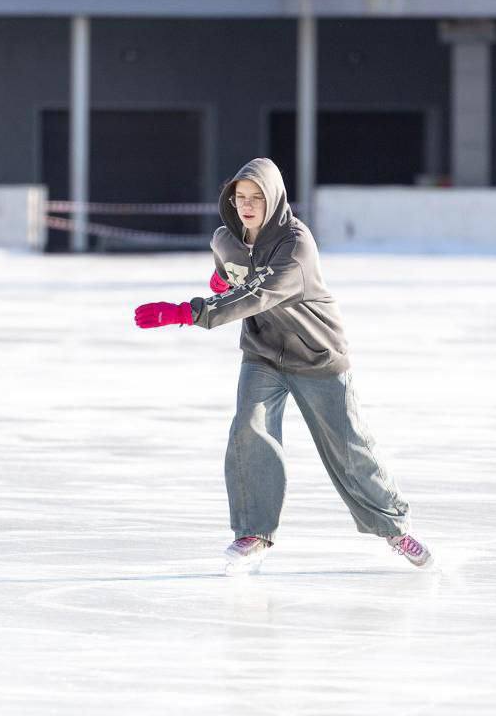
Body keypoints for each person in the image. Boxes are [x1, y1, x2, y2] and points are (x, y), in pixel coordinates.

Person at [132, 158, 433, 575]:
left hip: (317, 355)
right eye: (240, 198)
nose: (247, 206)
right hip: (262, 353)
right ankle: (253, 531)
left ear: (274, 198)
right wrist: (220, 282)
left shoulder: (297, 244)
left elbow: (257, 294)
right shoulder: (225, 239)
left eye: (257, 197)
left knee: (348, 448)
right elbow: (230, 275)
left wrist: (189, 311)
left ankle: (394, 527)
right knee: (249, 429)